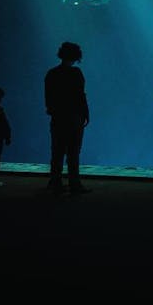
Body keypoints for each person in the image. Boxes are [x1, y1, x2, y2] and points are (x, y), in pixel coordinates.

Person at [44, 42, 91, 195]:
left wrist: (52, 111)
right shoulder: (76, 73)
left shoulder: (52, 73)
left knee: (57, 151)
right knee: (73, 152)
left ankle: (55, 182)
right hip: (74, 117)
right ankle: (74, 183)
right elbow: (80, 96)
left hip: (58, 117)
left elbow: (48, 97)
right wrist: (85, 113)